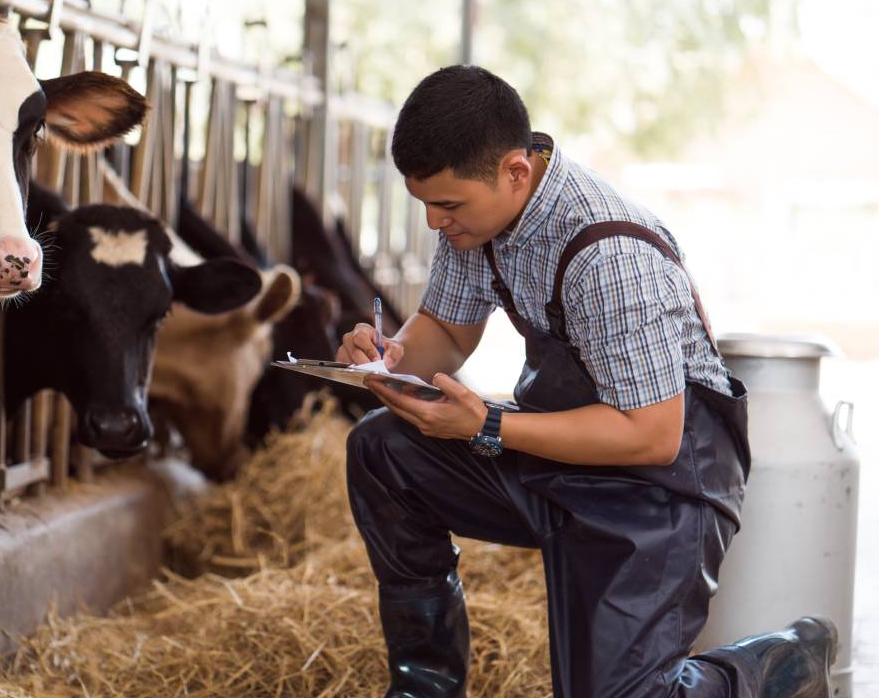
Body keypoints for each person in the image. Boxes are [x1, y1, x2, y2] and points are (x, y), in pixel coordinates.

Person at [338, 65, 836, 698]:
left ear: (515, 171)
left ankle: (775, 666)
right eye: (427, 204)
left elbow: (652, 435)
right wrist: (389, 356)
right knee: (384, 449)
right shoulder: (480, 222)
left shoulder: (607, 253)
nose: (436, 223)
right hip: (560, 458)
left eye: (448, 205)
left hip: (661, 488)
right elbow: (448, 328)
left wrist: (488, 423)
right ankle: (425, 688)